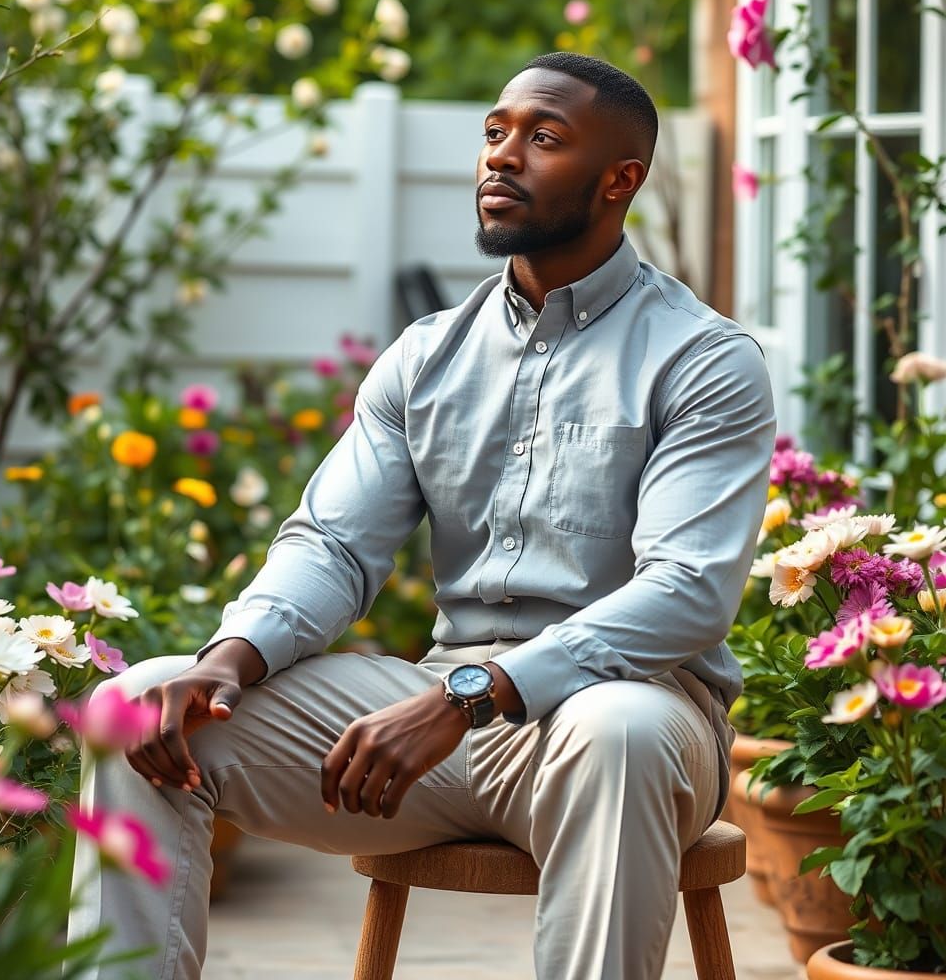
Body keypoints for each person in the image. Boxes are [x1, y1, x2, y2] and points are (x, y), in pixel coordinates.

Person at [69, 51, 776, 980]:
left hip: (632, 720)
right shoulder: (426, 357)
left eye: (543, 138)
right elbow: (332, 544)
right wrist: (225, 662)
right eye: (495, 132)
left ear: (621, 180)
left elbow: (686, 596)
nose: (502, 157)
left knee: (620, 732)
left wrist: (466, 697)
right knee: (138, 708)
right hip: (444, 721)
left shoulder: (703, 360)